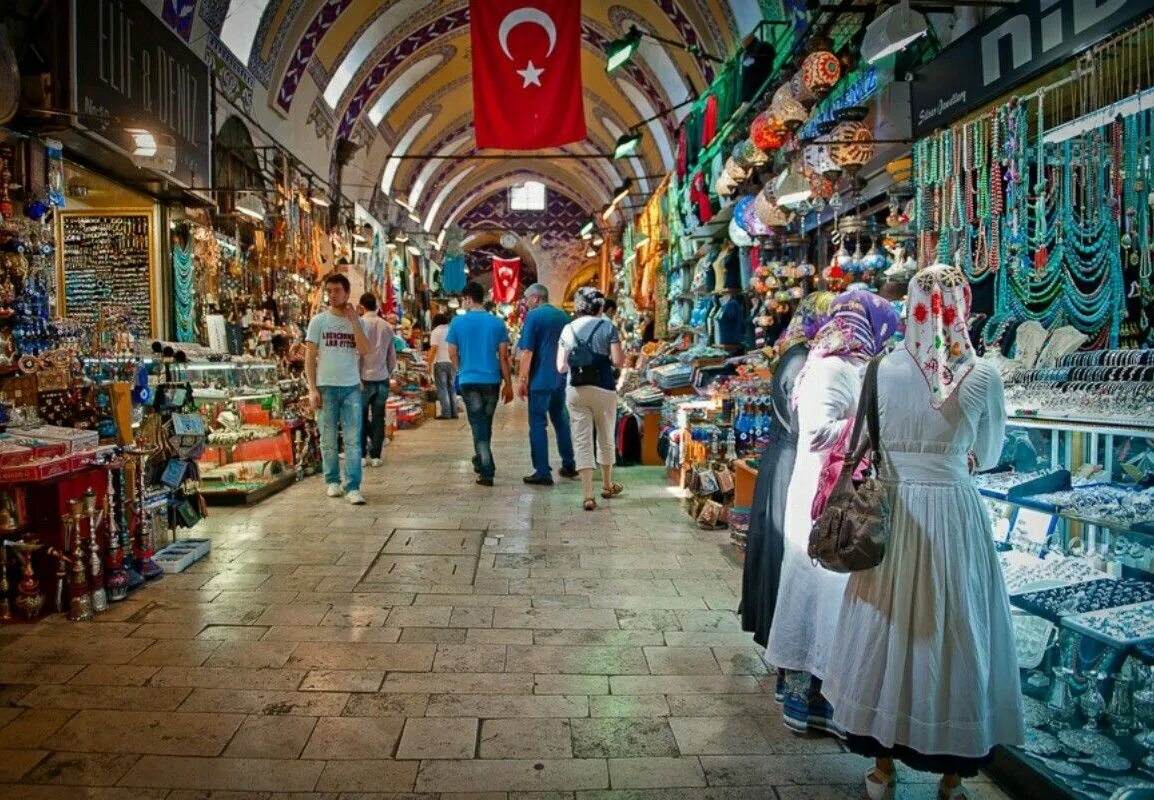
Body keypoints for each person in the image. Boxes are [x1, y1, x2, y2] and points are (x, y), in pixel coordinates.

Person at [822, 266, 1023, 800]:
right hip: (955, 515)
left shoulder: (881, 369)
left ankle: (882, 769)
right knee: (955, 628)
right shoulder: (981, 375)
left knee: (890, 626)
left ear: (910, 303)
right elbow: (994, 453)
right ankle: (952, 776)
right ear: (962, 304)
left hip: (895, 512)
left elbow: (867, 437)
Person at [763, 290, 900, 735]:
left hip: (830, 493)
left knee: (828, 596)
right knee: (819, 594)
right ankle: (815, 701)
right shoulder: (830, 368)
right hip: (826, 499)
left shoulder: (847, 364)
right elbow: (817, 433)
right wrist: (870, 426)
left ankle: (832, 700)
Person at [740, 291, 834, 652]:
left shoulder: (798, 356)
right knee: (785, 545)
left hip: (786, 457)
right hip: (791, 461)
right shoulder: (800, 362)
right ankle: (781, 634)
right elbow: (804, 425)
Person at [305, 273, 372, 505]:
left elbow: (364, 350)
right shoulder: (319, 321)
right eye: (329, 290)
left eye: (337, 290)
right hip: (326, 386)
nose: (332, 295)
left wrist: (354, 321)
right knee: (328, 438)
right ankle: (332, 480)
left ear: (346, 292)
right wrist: (312, 388)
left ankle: (353, 486)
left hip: (351, 386)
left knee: (353, 440)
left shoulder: (358, 321)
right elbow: (310, 356)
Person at [556, 287, 624, 511]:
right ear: (601, 307)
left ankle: (587, 495)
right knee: (605, 436)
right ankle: (606, 484)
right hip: (604, 388)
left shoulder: (567, 329)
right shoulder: (608, 327)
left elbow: (561, 366)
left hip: (576, 390)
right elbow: (617, 361)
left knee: (582, 439)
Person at [447, 282, 513, 486]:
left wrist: (461, 369)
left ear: (467, 298)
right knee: (485, 424)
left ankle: (487, 469)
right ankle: (480, 457)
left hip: (469, 380)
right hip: (492, 380)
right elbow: (503, 357)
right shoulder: (497, 323)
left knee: (477, 425)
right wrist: (508, 384)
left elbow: (451, 353)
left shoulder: (457, 323)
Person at [516, 284, 577, 485]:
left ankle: (542, 471)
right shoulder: (563, 316)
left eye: (526, 298)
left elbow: (527, 352)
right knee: (560, 420)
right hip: (560, 378)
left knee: (537, 424)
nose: (525, 303)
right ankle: (569, 463)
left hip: (539, 380)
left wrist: (522, 379)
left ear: (535, 298)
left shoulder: (533, 317)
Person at [358, 293, 396, 468]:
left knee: (361, 416)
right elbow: (391, 356)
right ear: (377, 306)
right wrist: (387, 372)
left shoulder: (359, 324)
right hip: (381, 377)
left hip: (363, 379)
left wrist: (356, 376)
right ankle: (376, 456)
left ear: (362, 306)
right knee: (379, 417)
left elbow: (356, 354)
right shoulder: (386, 326)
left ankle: (362, 454)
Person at [427, 313, 457, 419]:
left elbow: (434, 349)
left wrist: (429, 363)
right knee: (452, 388)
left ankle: (446, 413)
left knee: (442, 388)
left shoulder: (436, 332)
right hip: (452, 362)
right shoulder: (451, 331)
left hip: (440, 362)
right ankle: (454, 412)